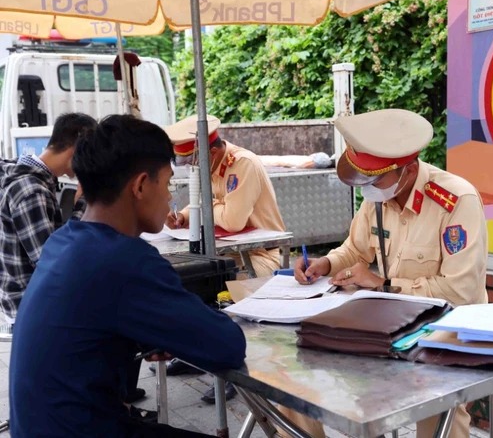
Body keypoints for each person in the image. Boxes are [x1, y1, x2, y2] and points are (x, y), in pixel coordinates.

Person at [9, 114, 247, 438]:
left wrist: (149, 334)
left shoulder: (62, 241)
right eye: (167, 184)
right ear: (140, 186)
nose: (169, 197)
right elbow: (227, 345)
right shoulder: (125, 260)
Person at [294, 108, 489, 438]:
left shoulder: (456, 200)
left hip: (448, 331)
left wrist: (384, 284)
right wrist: (325, 263)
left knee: (439, 408)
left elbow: (461, 292)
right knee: (308, 375)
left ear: (409, 170)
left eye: (376, 179)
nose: (368, 188)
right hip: (391, 326)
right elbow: (355, 249)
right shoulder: (378, 197)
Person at [158, 115, 286, 404]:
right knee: (189, 286)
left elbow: (233, 219)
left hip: (260, 256)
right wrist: (183, 216)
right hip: (227, 255)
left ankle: (233, 370)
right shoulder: (211, 167)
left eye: (195, 161)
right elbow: (206, 204)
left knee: (219, 293)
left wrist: (207, 206)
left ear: (213, 152)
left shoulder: (242, 164)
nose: (193, 168)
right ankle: (195, 356)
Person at [0, 112, 97, 322]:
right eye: (90, 154)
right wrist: (82, 204)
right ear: (77, 148)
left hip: (28, 300)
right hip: (31, 308)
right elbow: (53, 262)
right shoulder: (31, 191)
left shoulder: (30, 177)